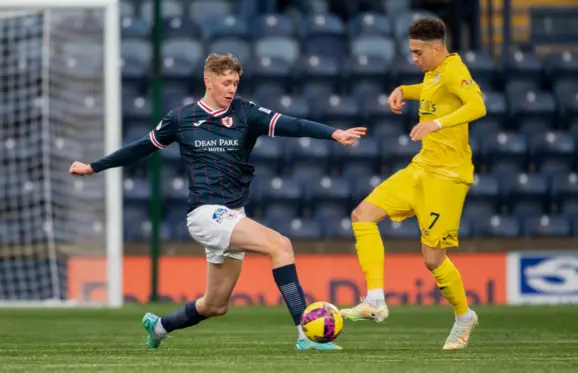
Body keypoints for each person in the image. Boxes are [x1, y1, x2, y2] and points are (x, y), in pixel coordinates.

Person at [69, 53, 366, 351]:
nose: (231, 89)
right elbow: (141, 148)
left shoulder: (246, 113)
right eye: (226, 82)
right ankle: (305, 335)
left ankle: (159, 326)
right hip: (205, 213)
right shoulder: (181, 118)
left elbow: (294, 124)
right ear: (207, 81)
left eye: (235, 83)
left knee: (214, 305)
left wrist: (334, 134)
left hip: (232, 213)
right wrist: (94, 167)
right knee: (281, 245)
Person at [339, 16, 487, 350]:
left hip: (447, 177)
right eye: (412, 52)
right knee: (362, 215)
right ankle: (375, 300)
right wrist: (403, 90)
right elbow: (430, 89)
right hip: (421, 168)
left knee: (433, 259)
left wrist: (436, 124)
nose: (414, 58)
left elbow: (478, 105)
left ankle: (464, 316)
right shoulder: (434, 74)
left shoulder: (454, 70)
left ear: (437, 48)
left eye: (419, 52)